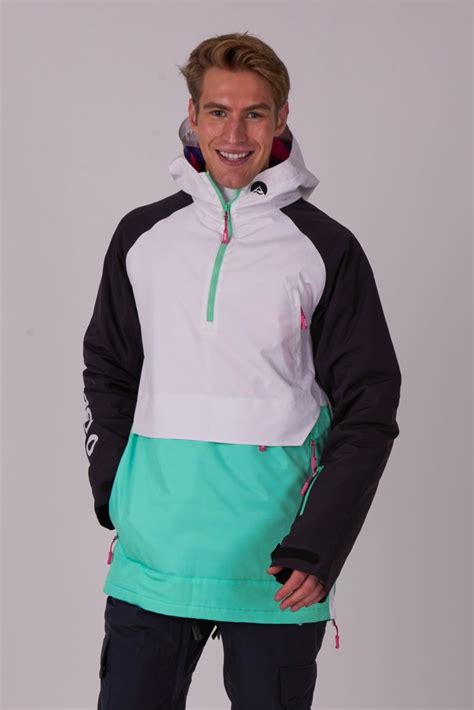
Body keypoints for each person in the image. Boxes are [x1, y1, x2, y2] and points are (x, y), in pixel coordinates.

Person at [82, 31, 402, 709]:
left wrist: (321, 543)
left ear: (281, 118)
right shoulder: (142, 236)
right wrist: (114, 488)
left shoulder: (326, 248)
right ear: (192, 116)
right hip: (153, 557)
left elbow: (370, 408)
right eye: (218, 112)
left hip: (278, 564)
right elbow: (108, 366)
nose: (234, 133)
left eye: (254, 113)